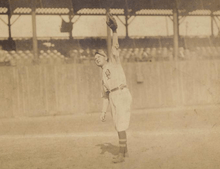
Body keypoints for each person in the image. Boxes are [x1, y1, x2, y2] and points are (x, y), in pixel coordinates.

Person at [94, 13, 132, 163]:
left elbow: (115, 47)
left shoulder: (113, 63)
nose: (97, 59)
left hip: (121, 92)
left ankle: (121, 155)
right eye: (95, 59)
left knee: (121, 125)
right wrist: (103, 111)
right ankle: (125, 151)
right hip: (113, 97)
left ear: (105, 57)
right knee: (118, 124)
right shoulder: (103, 76)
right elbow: (104, 96)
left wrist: (114, 31)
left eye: (99, 57)